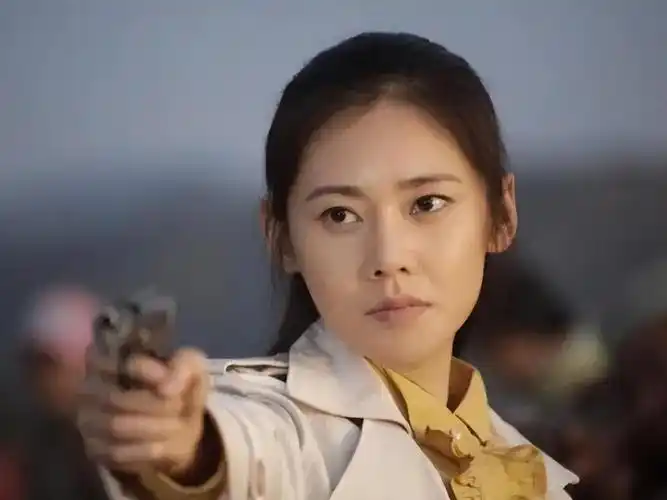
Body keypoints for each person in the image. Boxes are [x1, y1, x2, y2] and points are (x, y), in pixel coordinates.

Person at [79, 32, 577, 499]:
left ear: (501, 214)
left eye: (427, 204)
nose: (388, 258)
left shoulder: (523, 463)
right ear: (282, 238)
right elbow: (236, 453)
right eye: (340, 215)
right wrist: (183, 447)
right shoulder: (280, 430)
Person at [19, 285, 109, 500]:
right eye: (35, 364)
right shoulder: (25, 451)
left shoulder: (132, 452)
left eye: (51, 364)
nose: (44, 379)